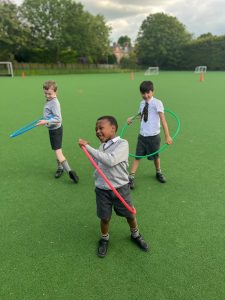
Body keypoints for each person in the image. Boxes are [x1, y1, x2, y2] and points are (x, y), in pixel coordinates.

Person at [78, 116, 149, 258]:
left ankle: (135, 234)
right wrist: (96, 178)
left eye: (101, 128)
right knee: (104, 218)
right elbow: (99, 166)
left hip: (120, 188)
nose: (98, 131)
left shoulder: (123, 144)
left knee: (129, 214)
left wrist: (88, 147)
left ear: (113, 128)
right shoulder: (101, 147)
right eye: (96, 129)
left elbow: (111, 161)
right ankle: (104, 238)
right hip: (102, 190)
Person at [127, 81, 172, 189]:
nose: (146, 95)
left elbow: (163, 119)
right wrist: (132, 118)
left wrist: (167, 136)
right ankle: (131, 177)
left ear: (153, 91)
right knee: (137, 156)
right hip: (142, 135)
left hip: (154, 136)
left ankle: (158, 172)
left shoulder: (157, 103)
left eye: (148, 93)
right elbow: (141, 115)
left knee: (156, 156)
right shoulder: (142, 103)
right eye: (143, 93)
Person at [37, 80, 79, 183]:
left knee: (58, 152)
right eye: (45, 93)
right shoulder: (50, 100)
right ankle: (60, 168)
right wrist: (45, 119)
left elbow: (58, 119)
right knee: (57, 150)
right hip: (53, 129)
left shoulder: (54, 103)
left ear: (56, 92)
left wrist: (45, 121)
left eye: (50, 93)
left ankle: (70, 172)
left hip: (55, 130)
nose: (47, 95)